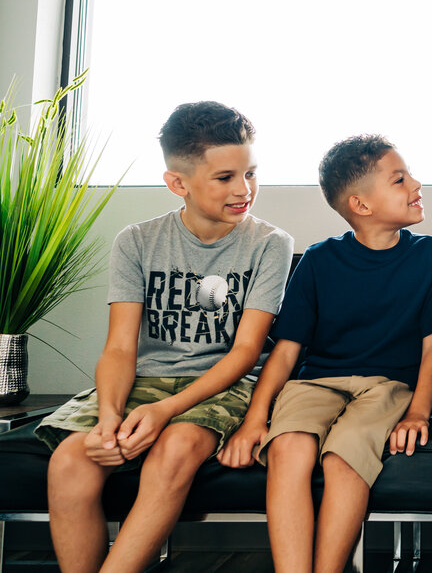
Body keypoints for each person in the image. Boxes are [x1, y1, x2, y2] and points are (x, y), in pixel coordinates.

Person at [35, 101, 294, 573]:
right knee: (71, 461)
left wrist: (165, 411)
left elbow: (245, 352)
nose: (244, 190)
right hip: (144, 380)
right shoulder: (136, 241)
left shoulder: (271, 244)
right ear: (178, 183)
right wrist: (110, 419)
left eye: (250, 173)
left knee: (175, 448)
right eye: (225, 178)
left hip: (224, 382)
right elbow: (119, 348)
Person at [217, 134, 432, 573]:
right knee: (288, 448)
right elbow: (284, 353)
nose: (416, 184)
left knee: (345, 457)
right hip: (315, 382)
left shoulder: (430, 255)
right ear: (361, 205)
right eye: (400, 179)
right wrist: (254, 420)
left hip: (387, 386)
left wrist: (418, 412)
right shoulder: (319, 261)